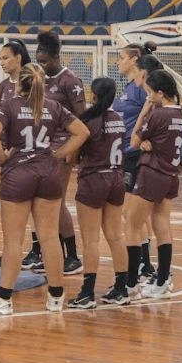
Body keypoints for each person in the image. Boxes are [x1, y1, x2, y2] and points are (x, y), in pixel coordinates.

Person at [0, 63, 90, 315]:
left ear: (19, 83)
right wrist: (59, 154)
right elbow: (82, 132)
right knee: (50, 237)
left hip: (18, 173)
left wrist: (1, 158)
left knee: (13, 241)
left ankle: (3, 300)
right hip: (48, 172)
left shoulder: (9, 105)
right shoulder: (53, 106)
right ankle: (55, 298)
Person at [126, 70, 182, 300]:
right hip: (171, 173)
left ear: (160, 93)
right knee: (162, 223)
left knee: (132, 226)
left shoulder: (158, 115)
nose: (148, 98)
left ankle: (129, 284)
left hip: (152, 172)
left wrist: (144, 113)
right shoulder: (180, 112)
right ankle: (164, 279)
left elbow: (134, 141)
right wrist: (160, 141)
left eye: (149, 94)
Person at [70, 78, 130, 308]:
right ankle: (121, 288)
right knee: (116, 236)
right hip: (116, 178)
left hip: (94, 179)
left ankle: (86, 293)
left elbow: (72, 157)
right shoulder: (119, 119)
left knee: (91, 240)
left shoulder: (88, 120)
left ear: (93, 96)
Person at [34, 31, 87, 275]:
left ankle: (73, 257)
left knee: (58, 202)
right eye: (39, 62)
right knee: (47, 202)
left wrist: (74, 151)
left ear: (56, 56)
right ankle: (53, 254)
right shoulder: (41, 80)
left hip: (64, 148)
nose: (42, 66)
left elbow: (82, 118)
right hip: (46, 147)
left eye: (45, 61)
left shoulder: (70, 80)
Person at [113, 43, 161, 284]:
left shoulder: (142, 88)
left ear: (134, 60)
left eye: (121, 58)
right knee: (132, 214)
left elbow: (155, 110)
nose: (117, 62)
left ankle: (144, 264)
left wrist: (146, 139)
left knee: (131, 214)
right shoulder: (130, 86)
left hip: (135, 154)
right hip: (125, 153)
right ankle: (145, 263)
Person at [0, 39, 37, 269]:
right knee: (10, 211)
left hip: (32, 152)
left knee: (41, 210)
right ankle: (8, 251)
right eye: (0, 58)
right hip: (11, 154)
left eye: (6, 57)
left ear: (19, 57)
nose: (2, 62)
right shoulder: (3, 87)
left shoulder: (34, 81)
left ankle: (38, 250)